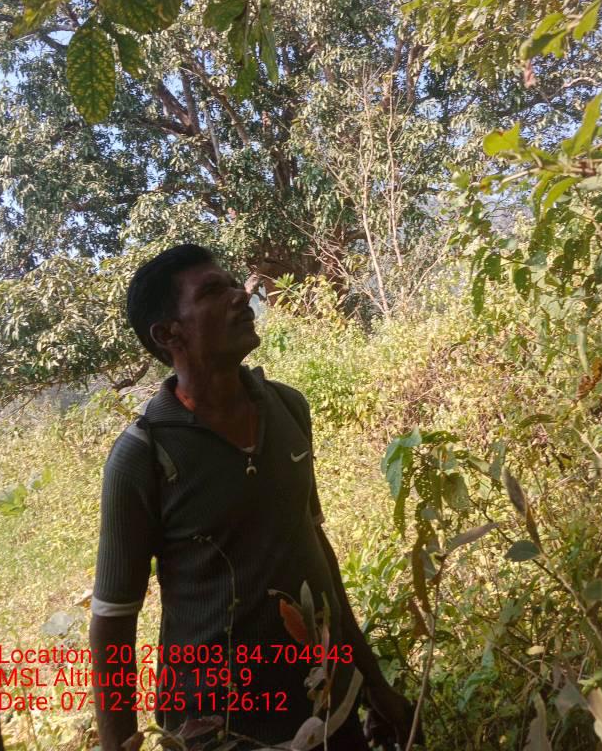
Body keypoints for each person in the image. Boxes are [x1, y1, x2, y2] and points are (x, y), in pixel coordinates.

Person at [90, 244, 414, 751]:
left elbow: (315, 550)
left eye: (232, 283)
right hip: (219, 730)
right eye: (212, 292)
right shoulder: (143, 457)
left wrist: (371, 681)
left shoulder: (288, 408)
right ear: (168, 334)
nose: (242, 295)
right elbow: (113, 619)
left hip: (328, 704)